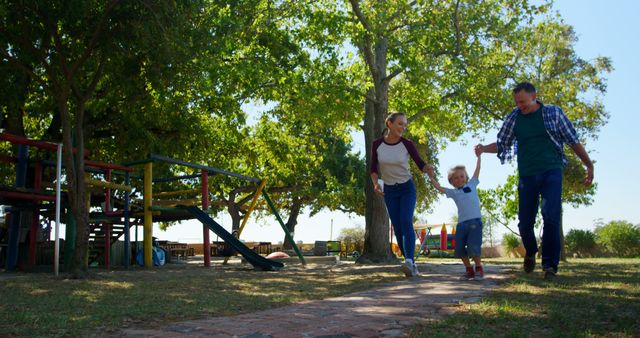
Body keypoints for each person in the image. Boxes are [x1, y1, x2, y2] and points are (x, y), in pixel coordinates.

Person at [475, 82, 594, 280]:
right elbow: (503, 143)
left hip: (551, 171)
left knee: (551, 216)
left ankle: (549, 267)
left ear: (534, 96)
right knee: (525, 222)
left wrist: (588, 164)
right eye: (516, 102)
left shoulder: (553, 114)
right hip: (527, 175)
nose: (520, 106)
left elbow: (573, 140)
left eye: (522, 102)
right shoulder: (514, 118)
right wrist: (483, 149)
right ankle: (531, 251)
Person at [370, 112, 431, 277]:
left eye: (405, 125)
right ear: (389, 123)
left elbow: (420, 163)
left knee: (405, 221)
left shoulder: (407, 144)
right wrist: (376, 183)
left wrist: (428, 169)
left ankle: (409, 261)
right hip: (389, 190)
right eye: (400, 124)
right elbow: (373, 169)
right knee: (397, 228)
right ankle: (410, 264)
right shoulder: (377, 144)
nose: (403, 128)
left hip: (406, 188)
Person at [426, 154, 485, 281]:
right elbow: (440, 188)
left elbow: (477, 170)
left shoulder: (472, 184)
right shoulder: (453, 192)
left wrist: (479, 157)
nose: (459, 179)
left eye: (461, 176)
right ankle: (469, 269)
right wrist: (431, 178)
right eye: (455, 178)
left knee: (473, 246)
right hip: (462, 224)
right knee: (458, 248)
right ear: (451, 182)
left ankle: (479, 268)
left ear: (466, 177)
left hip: (475, 222)